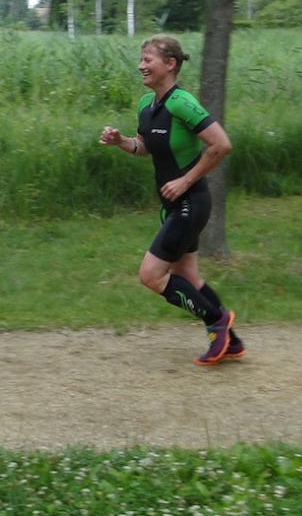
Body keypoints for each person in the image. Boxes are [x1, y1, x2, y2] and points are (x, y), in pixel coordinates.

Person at [99, 34, 243, 366]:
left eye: (148, 60)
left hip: (192, 202)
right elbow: (143, 147)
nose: (141, 66)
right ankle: (231, 342)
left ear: (170, 64)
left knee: (151, 275)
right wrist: (120, 141)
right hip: (172, 205)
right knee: (188, 277)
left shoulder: (182, 102)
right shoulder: (146, 106)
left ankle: (218, 322)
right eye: (141, 59)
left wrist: (185, 180)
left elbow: (221, 145)